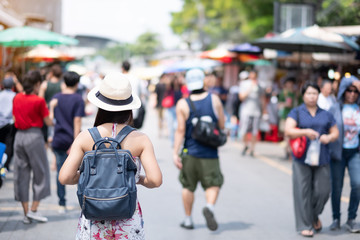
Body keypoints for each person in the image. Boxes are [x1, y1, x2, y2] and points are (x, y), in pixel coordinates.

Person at [58, 72, 162, 239]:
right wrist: (137, 179)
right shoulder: (140, 139)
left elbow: (64, 177)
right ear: (128, 106)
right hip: (127, 219)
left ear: (101, 105)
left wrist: (87, 176)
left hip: (94, 219)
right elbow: (156, 180)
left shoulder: (85, 137)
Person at [173, 68, 225, 231]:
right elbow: (222, 125)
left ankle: (188, 220)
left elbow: (180, 130)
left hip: (190, 152)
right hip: (210, 153)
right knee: (213, 184)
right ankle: (209, 207)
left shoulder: (183, 103)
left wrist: (175, 152)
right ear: (203, 81)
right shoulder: (214, 100)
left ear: (187, 84)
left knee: (188, 186)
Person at [285, 81, 339, 237]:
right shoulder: (297, 112)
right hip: (302, 158)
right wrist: (305, 132)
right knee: (302, 192)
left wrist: (328, 137)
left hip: (322, 157)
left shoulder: (326, 113)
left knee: (324, 191)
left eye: (314, 93)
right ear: (303, 95)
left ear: (319, 94)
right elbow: (288, 130)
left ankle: (313, 215)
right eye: (308, 93)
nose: (311, 96)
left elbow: (335, 132)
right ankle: (304, 225)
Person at [12, 70, 53, 224]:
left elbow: (15, 117)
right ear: (37, 84)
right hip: (34, 136)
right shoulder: (38, 101)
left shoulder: (17, 97)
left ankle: (25, 213)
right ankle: (33, 210)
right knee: (40, 173)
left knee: (21, 174)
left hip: (19, 137)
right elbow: (48, 121)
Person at [48, 71, 85, 214]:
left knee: (60, 172)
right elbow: (77, 121)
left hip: (58, 140)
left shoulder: (56, 98)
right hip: (72, 140)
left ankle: (61, 203)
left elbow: (51, 121)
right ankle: (83, 202)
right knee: (80, 172)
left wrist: (51, 108)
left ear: (64, 82)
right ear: (76, 83)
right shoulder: (78, 99)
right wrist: (76, 142)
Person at [328, 75, 360, 233]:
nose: (352, 94)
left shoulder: (359, 107)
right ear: (343, 91)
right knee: (337, 187)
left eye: (355, 91)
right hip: (338, 153)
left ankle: (351, 218)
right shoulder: (335, 108)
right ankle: (336, 218)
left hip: (355, 152)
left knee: (357, 184)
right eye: (349, 90)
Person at [238, 70, 264, 156]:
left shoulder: (260, 85)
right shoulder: (244, 84)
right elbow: (241, 97)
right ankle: (245, 145)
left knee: (255, 131)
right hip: (246, 110)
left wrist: (264, 110)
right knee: (244, 129)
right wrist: (250, 88)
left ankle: (252, 148)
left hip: (256, 111)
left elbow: (262, 98)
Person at [0, 77, 17, 171]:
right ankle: (5, 165)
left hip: (0, 123)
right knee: (9, 144)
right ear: (12, 86)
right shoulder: (15, 95)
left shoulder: (0, 95)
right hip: (10, 123)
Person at [278, 77, 296, 159]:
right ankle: (287, 151)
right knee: (286, 134)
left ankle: (290, 151)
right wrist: (284, 104)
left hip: (293, 116)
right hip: (286, 115)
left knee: (291, 135)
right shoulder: (284, 93)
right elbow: (279, 104)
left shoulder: (295, 93)